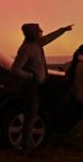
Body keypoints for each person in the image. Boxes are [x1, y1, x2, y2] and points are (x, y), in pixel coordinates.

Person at [11, 22, 73, 154]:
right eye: (39, 30)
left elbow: (50, 37)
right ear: (33, 32)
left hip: (40, 85)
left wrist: (63, 29)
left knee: (37, 114)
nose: (42, 31)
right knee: (30, 116)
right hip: (32, 87)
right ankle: (26, 148)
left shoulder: (37, 43)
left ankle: (33, 144)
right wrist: (31, 76)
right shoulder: (26, 48)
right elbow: (15, 69)